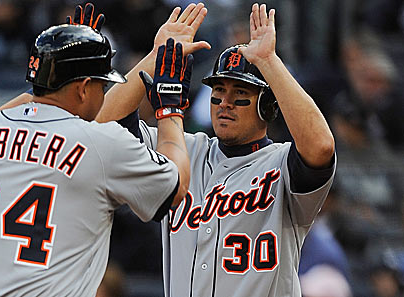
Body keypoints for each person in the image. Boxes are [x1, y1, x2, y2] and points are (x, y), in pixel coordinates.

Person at [0, 6, 196, 295]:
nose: (103, 92)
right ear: (82, 89)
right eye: (101, 85)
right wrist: (170, 110)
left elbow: (50, 112)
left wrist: (61, 65)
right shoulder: (100, 142)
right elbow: (176, 185)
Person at [97, 3, 336, 297]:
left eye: (240, 93)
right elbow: (102, 123)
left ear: (267, 105)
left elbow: (321, 146)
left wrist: (269, 63)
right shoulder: (182, 151)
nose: (225, 101)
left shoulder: (282, 165)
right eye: (219, 91)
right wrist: (155, 58)